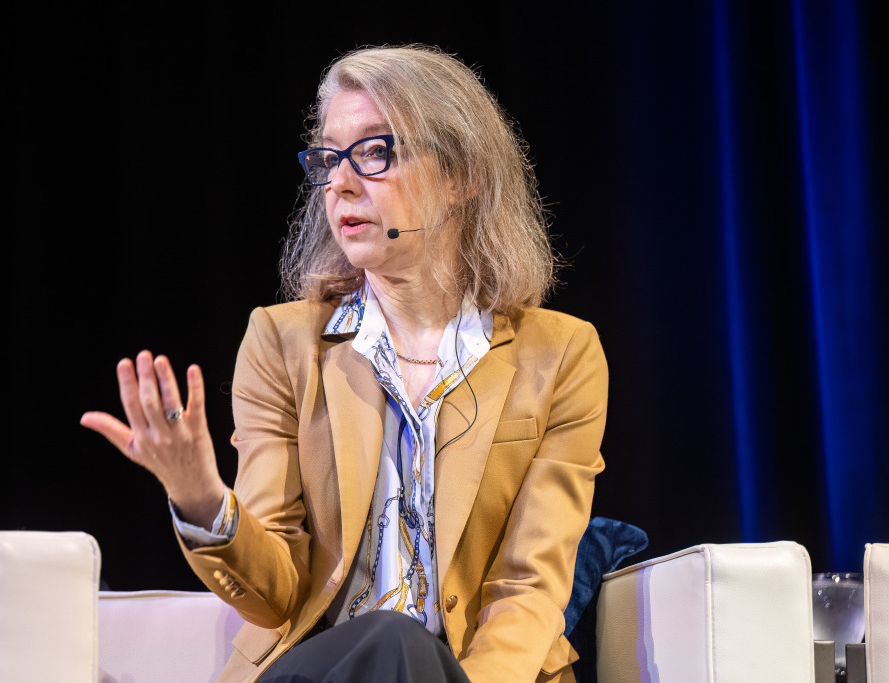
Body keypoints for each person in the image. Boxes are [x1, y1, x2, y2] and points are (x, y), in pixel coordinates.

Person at [82, 44, 607, 683]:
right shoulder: (283, 342)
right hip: (319, 670)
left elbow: (528, 587)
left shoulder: (560, 354)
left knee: (406, 649)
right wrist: (200, 496)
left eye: (375, 152)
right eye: (330, 158)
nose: (340, 183)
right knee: (390, 638)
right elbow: (272, 598)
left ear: (461, 174)